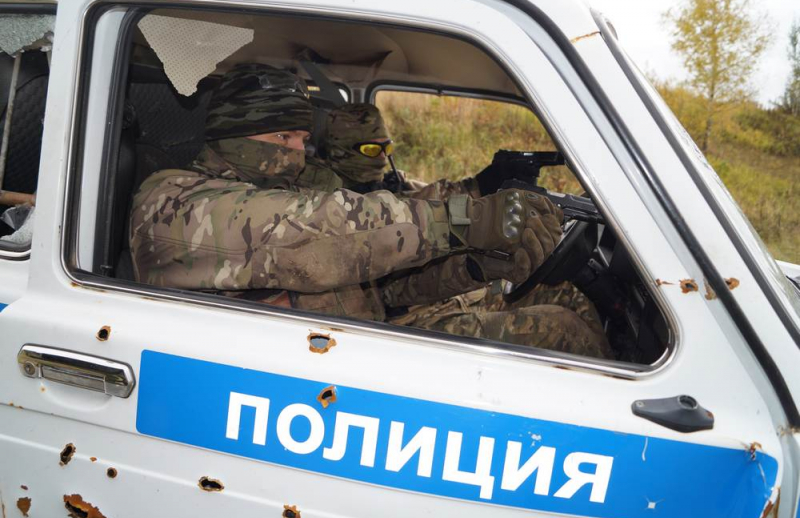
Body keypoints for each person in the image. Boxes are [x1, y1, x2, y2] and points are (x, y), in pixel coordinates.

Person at [129, 64, 608, 357]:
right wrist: (465, 221)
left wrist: (473, 268)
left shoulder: (288, 186)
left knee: (562, 297)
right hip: (305, 366)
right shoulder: (173, 202)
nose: (297, 153)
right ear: (233, 133)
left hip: (359, 336)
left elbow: (382, 288)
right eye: (283, 137)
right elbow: (320, 230)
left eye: (302, 138)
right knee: (560, 333)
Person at [313, 102, 609, 353]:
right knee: (565, 330)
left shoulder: (385, 183)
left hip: (438, 293)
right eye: (370, 149)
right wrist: (473, 241)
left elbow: (422, 199)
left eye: (386, 148)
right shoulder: (334, 209)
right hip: (404, 322)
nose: (382, 157)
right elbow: (408, 229)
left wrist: (477, 261)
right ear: (339, 151)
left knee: (564, 292)